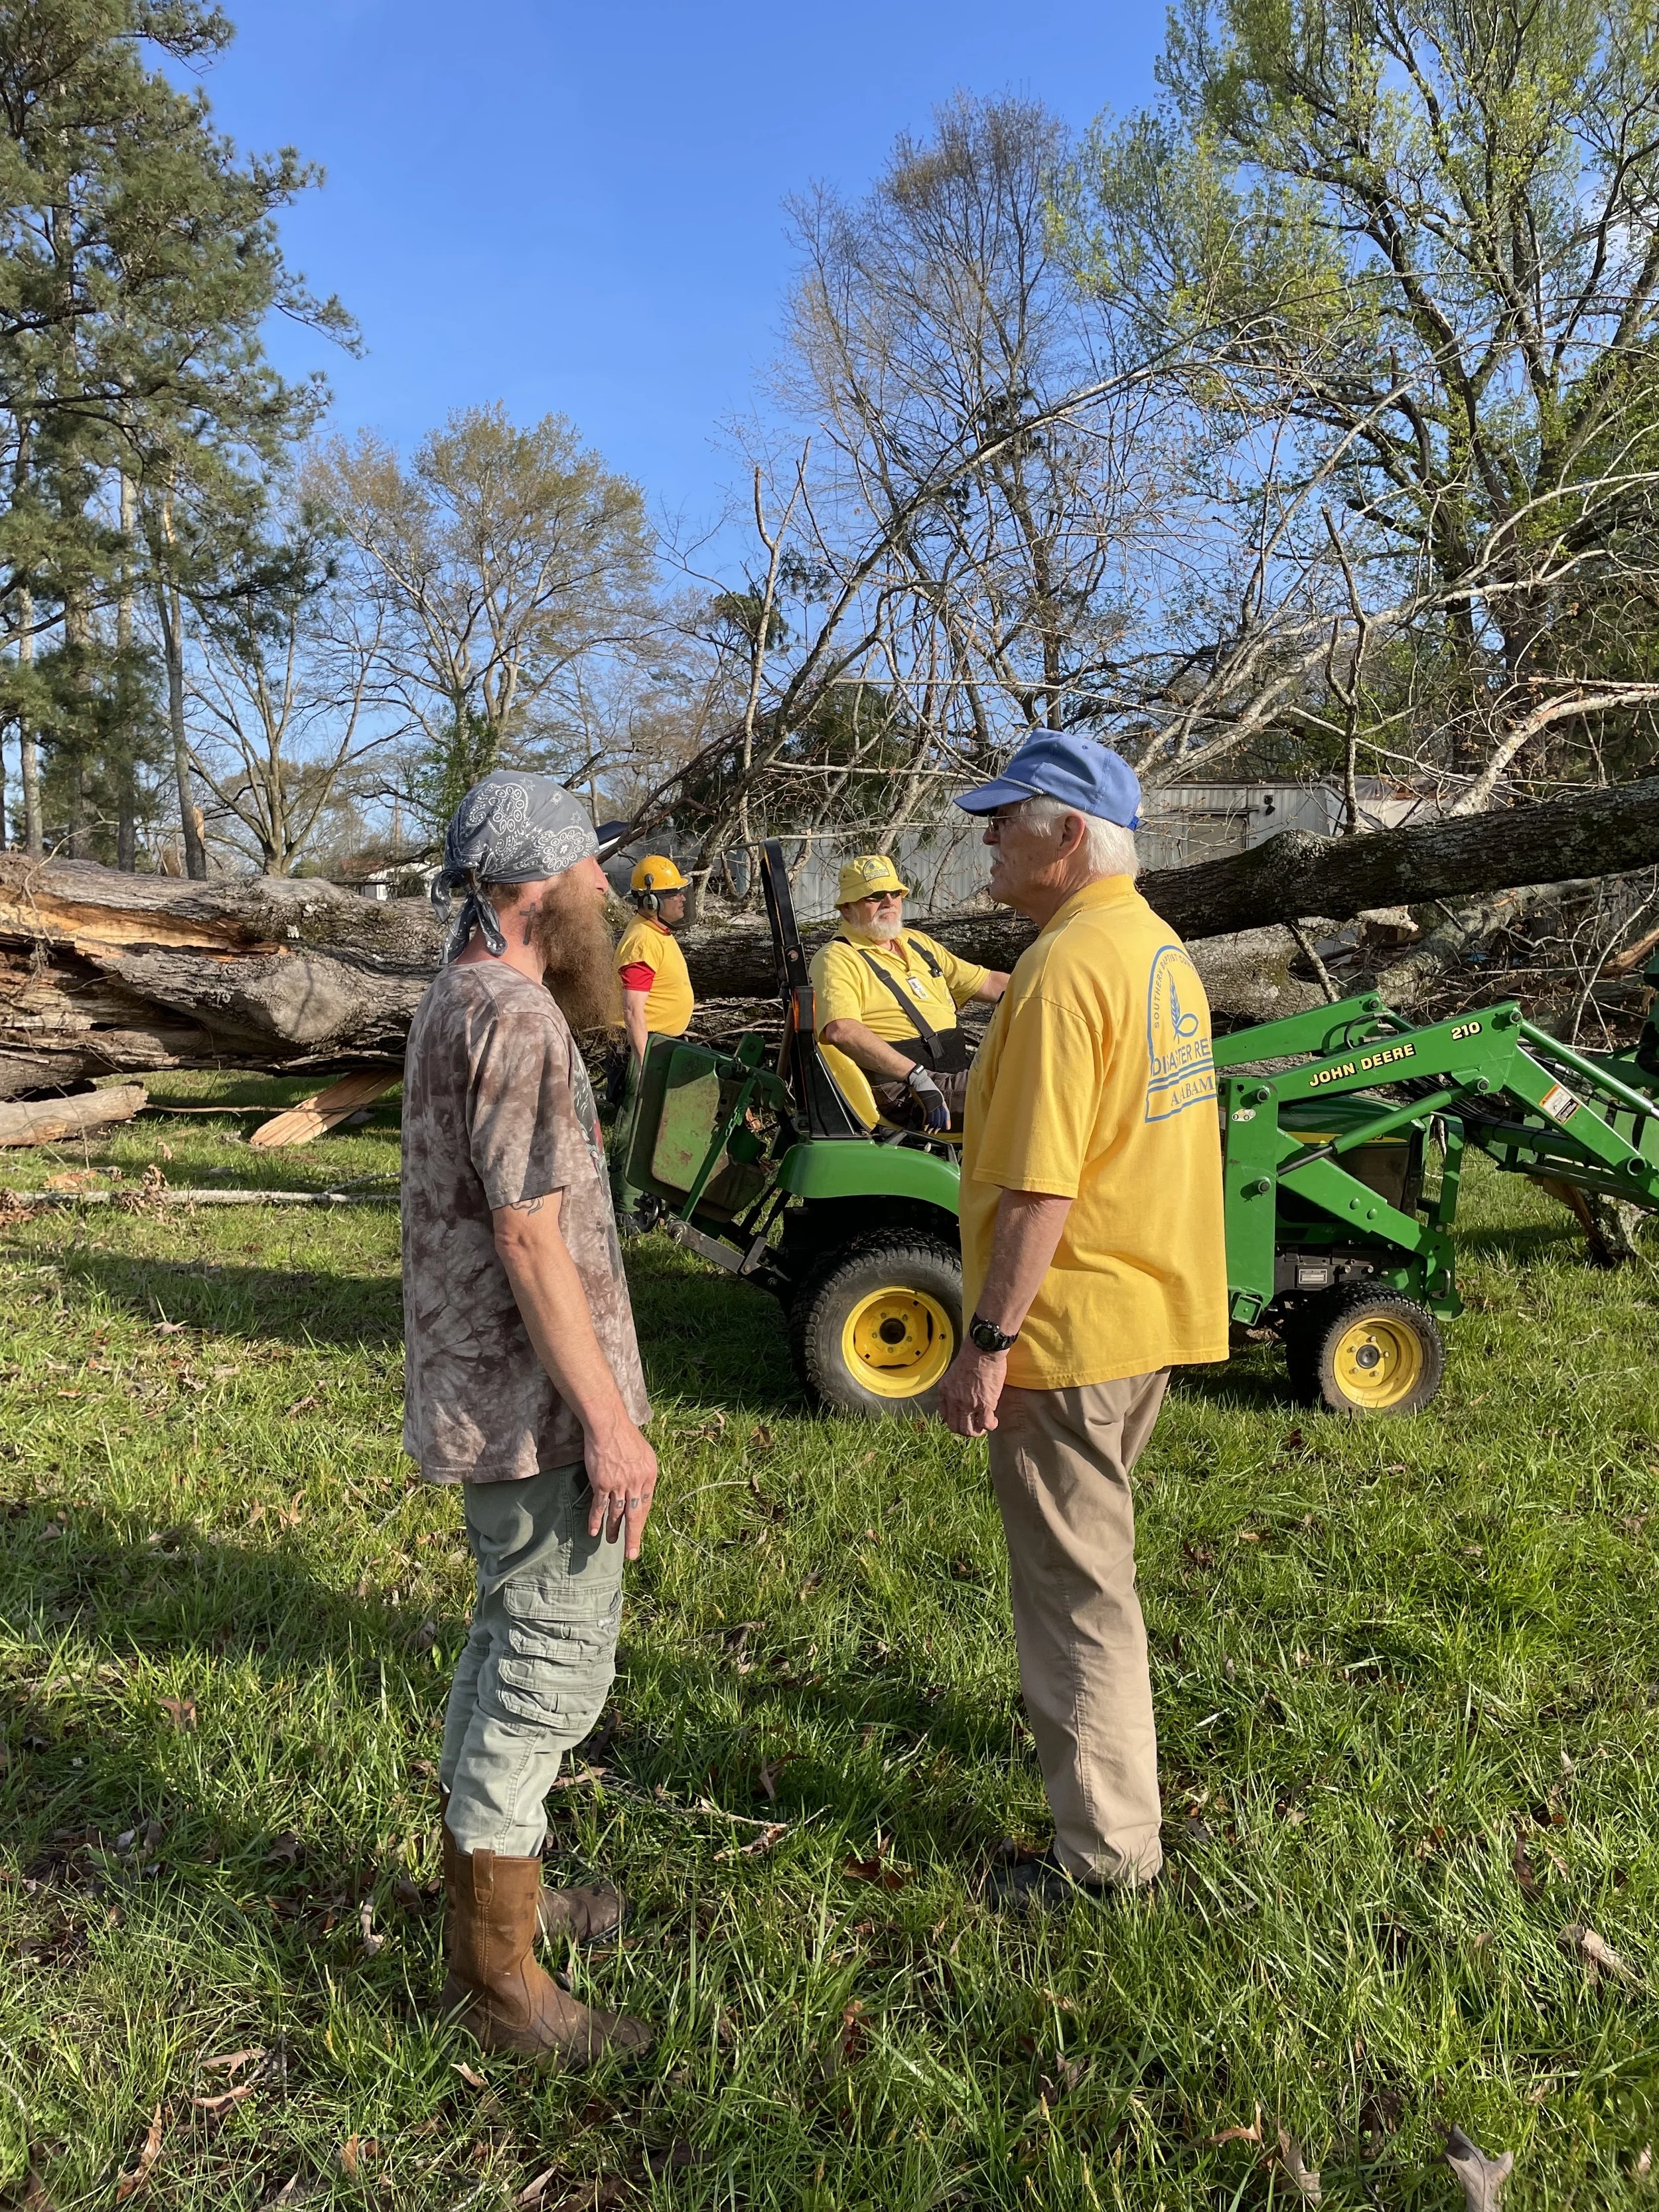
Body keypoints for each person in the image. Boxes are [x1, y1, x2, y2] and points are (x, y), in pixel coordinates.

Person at [937, 731, 1228, 1907]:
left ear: (1067, 833)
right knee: (1084, 1570)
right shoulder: (1152, 949)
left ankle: (1107, 1859)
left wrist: (989, 1342)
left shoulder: (1063, 971)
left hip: (1068, 1329)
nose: (989, 837)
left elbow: (1042, 1184)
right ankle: (1092, 1760)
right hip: (1145, 1304)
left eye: (1005, 817)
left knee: (1076, 1590)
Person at [402, 769, 656, 2066]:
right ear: (538, 884)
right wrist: (608, 1424)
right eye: (591, 871)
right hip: (532, 1414)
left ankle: (498, 1896)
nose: (606, 892)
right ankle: (497, 1981)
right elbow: (527, 1233)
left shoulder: (461, 994)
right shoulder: (508, 1016)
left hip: (493, 1398)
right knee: (548, 1668)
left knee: (508, 1644)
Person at [809, 853, 1008, 1131]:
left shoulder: (916, 943)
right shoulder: (837, 958)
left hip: (952, 1078)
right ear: (846, 909)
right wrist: (916, 1076)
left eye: (895, 892)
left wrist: (1049, 988)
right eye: (874, 895)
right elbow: (841, 1030)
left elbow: (987, 983)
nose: (889, 901)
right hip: (910, 1093)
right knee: (1030, 1089)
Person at [614, 855, 695, 1064]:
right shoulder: (643, 941)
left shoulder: (656, 932)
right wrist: (642, 1064)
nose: (682, 899)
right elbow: (632, 1009)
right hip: (642, 1046)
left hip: (657, 1043)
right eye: (673, 894)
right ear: (651, 901)